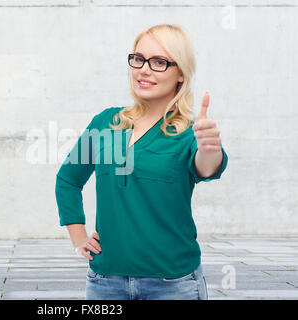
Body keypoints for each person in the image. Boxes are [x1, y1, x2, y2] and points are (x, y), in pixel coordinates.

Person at [55, 24, 228, 300]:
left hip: (173, 284)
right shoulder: (106, 123)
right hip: (105, 283)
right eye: (138, 58)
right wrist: (79, 237)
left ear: (180, 73)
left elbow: (206, 166)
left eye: (159, 62)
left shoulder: (188, 132)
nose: (144, 69)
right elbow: (68, 180)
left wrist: (210, 147)